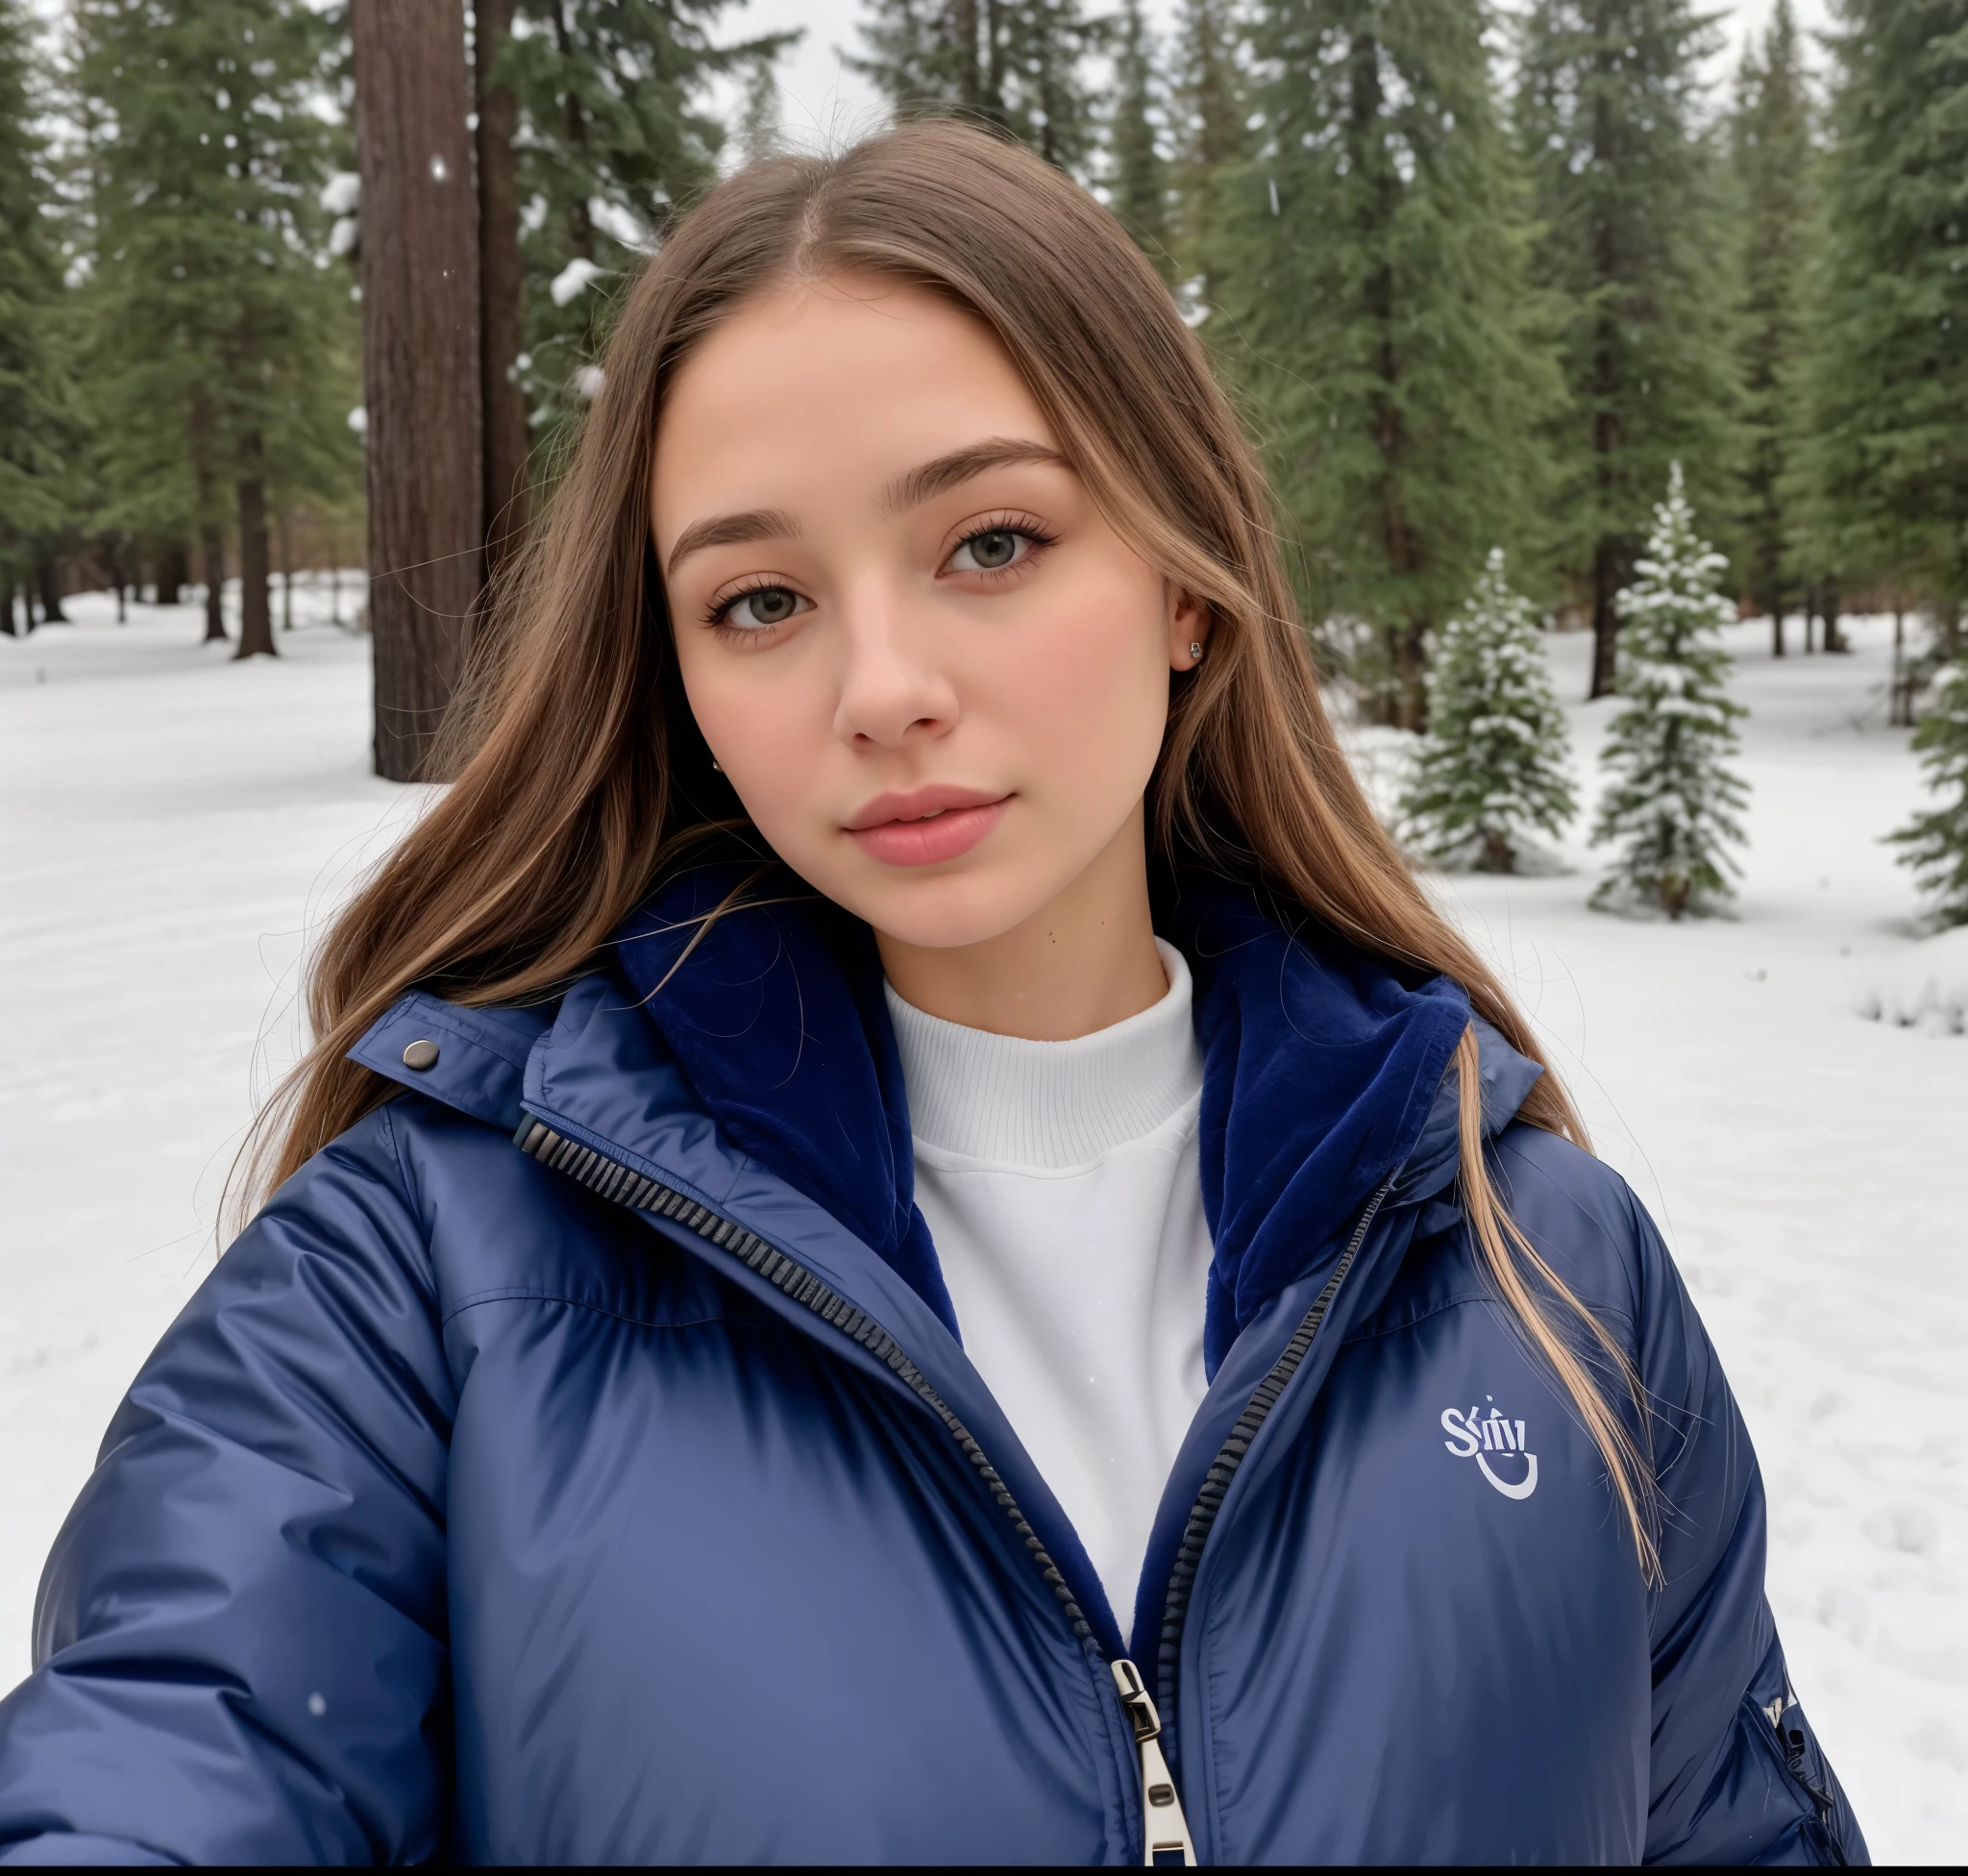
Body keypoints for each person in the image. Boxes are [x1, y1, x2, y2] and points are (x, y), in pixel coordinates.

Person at [0, 126, 1865, 1865]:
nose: (877, 684)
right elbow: (170, 1745)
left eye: (990, 542)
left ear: (1184, 579)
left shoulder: (1540, 1267)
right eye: (759, 600)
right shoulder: (419, 1282)